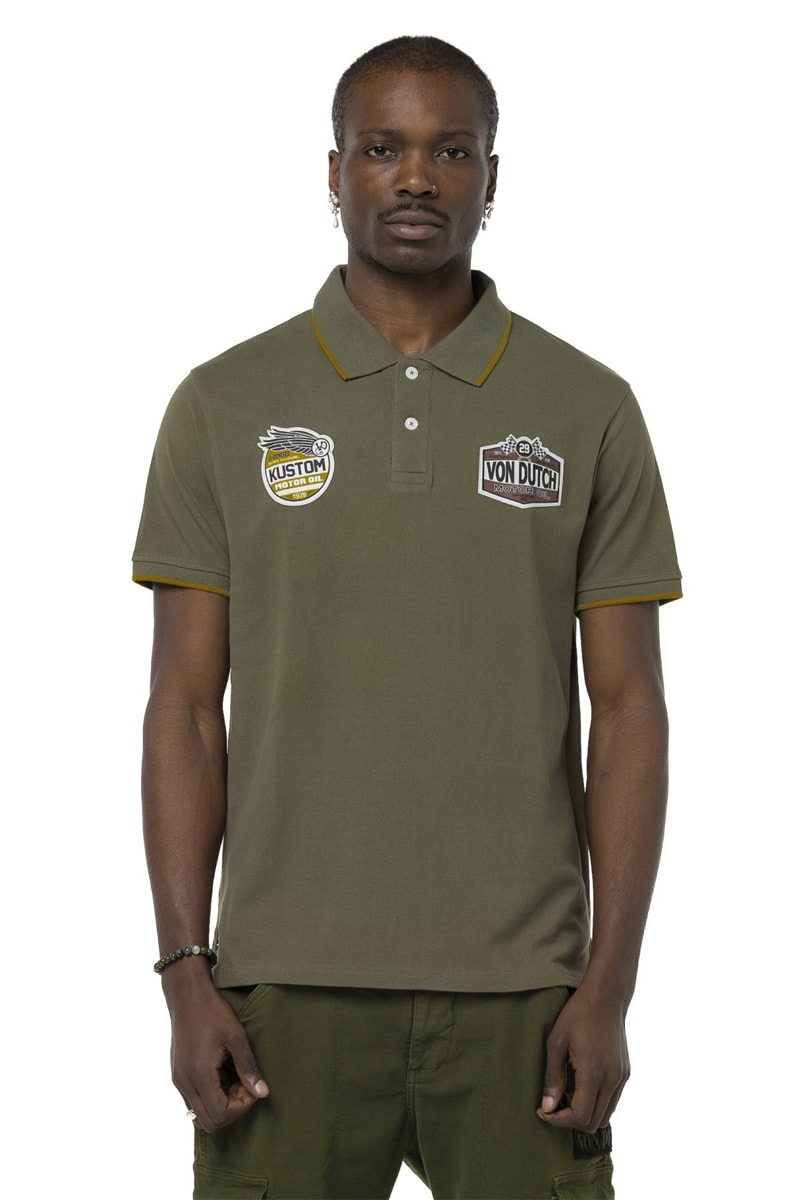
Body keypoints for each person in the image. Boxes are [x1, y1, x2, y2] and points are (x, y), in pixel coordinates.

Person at [133, 35, 681, 1200]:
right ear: (333, 172)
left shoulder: (586, 408)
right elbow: (182, 706)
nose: (418, 177)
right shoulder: (223, 404)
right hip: (281, 991)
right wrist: (186, 973)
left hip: (524, 998)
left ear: (493, 176)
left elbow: (628, 707)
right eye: (382, 148)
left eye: (452, 151)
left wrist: (608, 986)